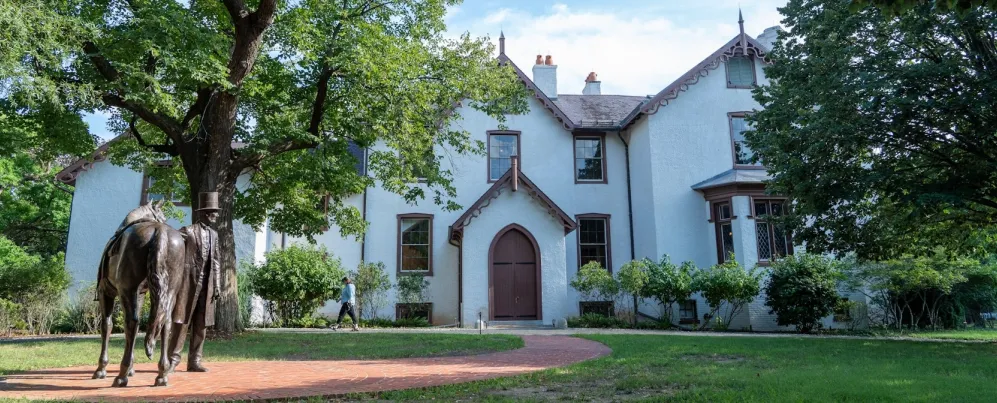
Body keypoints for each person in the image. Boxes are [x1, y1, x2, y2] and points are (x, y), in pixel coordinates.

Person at [168, 192, 222, 373]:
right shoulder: (188, 231)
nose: (217, 215)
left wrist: (217, 284)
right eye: (214, 212)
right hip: (189, 283)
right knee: (181, 322)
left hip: (207, 285)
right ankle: (173, 359)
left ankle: (195, 361)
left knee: (201, 324)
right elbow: (172, 246)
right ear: (206, 213)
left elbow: (216, 261)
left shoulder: (214, 235)